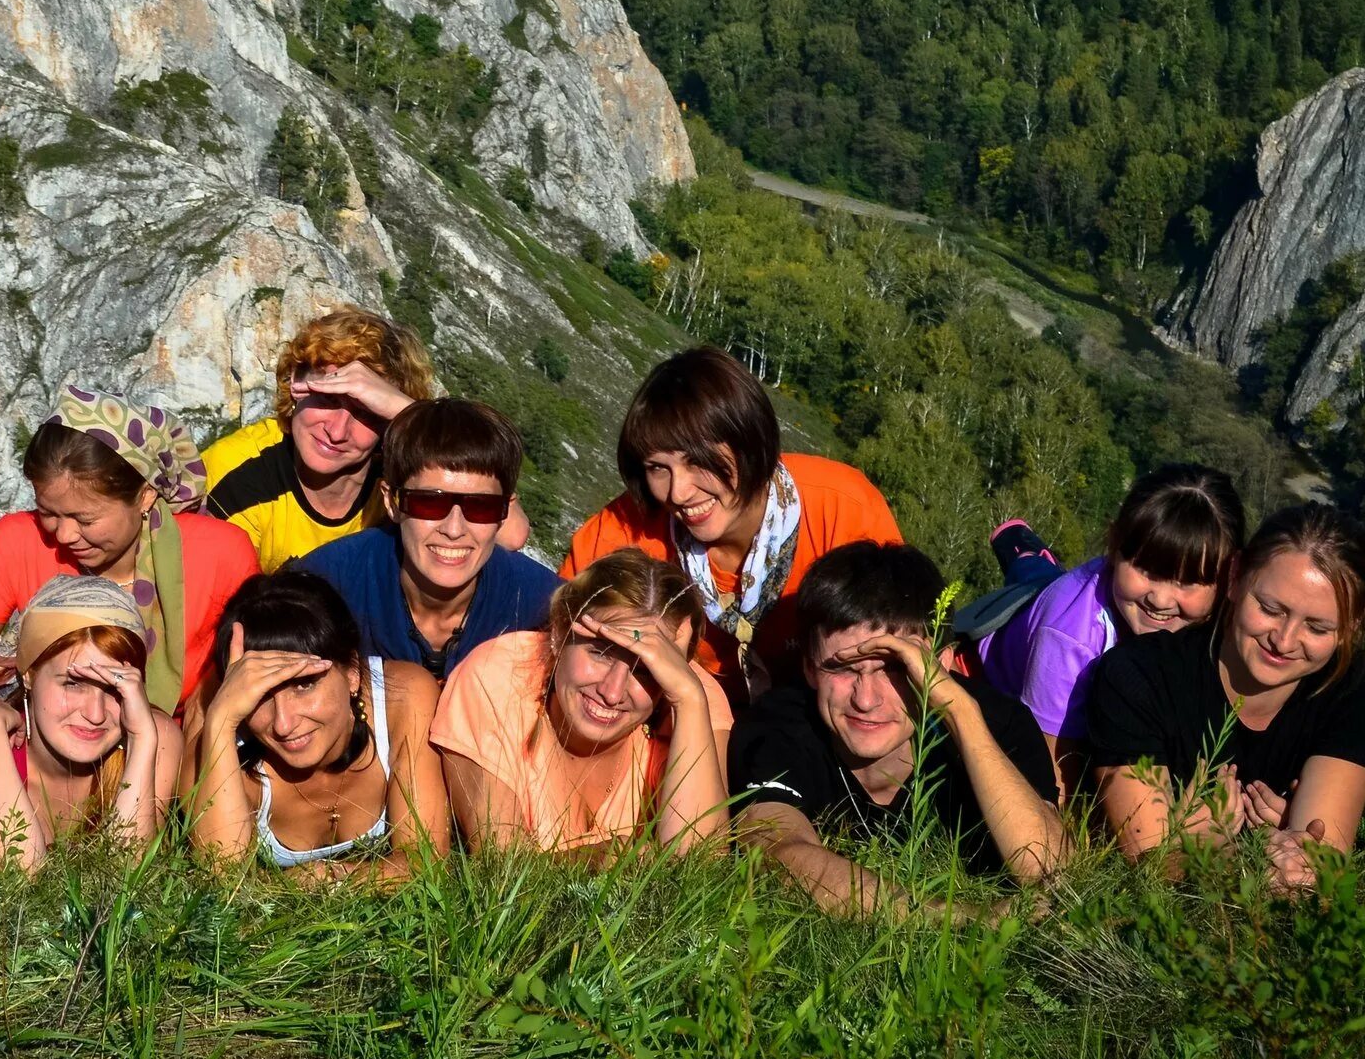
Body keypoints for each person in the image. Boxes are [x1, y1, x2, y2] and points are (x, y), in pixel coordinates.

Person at [731, 542, 1066, 915]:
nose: (866, 699)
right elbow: (774, 852)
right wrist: (960, 920)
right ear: (809, 667)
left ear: (941, 664)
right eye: (841, 668)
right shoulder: (779, 725)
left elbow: (1049, 867)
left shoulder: (996, 720)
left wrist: (960, 716)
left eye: (896, 668)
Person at [562, 347, 900, 716]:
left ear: (750, 442)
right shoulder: (620, 534)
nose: (678, 492)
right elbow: (558, 645)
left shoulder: (843, 509)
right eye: (658, 468)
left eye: (698, 461)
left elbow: (901, 653)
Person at [1086, 504, 1365, 892]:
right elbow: (1149, 864)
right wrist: (1251, 858)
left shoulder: (1352, 688)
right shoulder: (1137, 677)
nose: (1284, 640)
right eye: (1270, 608)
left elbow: (1318, 863)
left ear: (1351, 626)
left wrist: (1282, 860)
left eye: (1317, 627)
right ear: (1235, 577)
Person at [0, 385, 256, 725]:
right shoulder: (17, 542)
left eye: (84, 519)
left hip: (177, 755)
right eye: (49, 512)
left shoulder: (221, 556)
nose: (64, 534)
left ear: (145, 496)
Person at [966, 466, 1246, 798]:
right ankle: (1023, 554)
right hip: (990, 668)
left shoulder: (1232, 623)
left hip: (1055, 593)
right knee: (1038, 587)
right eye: (1145, 569)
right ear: (1114, 544)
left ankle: (1026, 555)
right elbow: (1051, 775)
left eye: (1187, 581)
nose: (1160, 598)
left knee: (1038, 575)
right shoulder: (1069, 639)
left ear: (1230, 577)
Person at [429, 549, 731, 853]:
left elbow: (699, 869)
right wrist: (596, 859)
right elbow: (501, 864)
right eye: (600, 652)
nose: (612, 692)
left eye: (645, 670)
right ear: (560, 633)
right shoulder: (500, 674)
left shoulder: (687, 701)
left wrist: (688, 701)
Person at [204, 305, 539, 567]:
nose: (337, 431)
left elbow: (510, 534)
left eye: (366, 413)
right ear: (296, 383)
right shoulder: (238, 470)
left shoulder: (398, 465)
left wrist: (408, 414)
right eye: (328, 400)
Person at [186, 570, 446, 874]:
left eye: (303, 685)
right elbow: (221, 879)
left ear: (352, 672)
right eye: (260, 696)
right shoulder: (220, 746)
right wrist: (221, 719)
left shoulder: (402, 699)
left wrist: (328, 880)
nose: (283, 724)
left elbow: (424, 862)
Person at [287, 398, 556, 681]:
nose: (454, 529)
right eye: (429, 503)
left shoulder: (544, 606)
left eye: (481, 507)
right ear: (392, 502)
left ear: (504, 512)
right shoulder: (323, 589)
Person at [0, 576, 180, 869]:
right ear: (29, 674)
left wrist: (142, 740)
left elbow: (125, 883)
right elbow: (15, 883)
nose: (96, 713)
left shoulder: (155, 738)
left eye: (115, 688)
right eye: (73, 683)